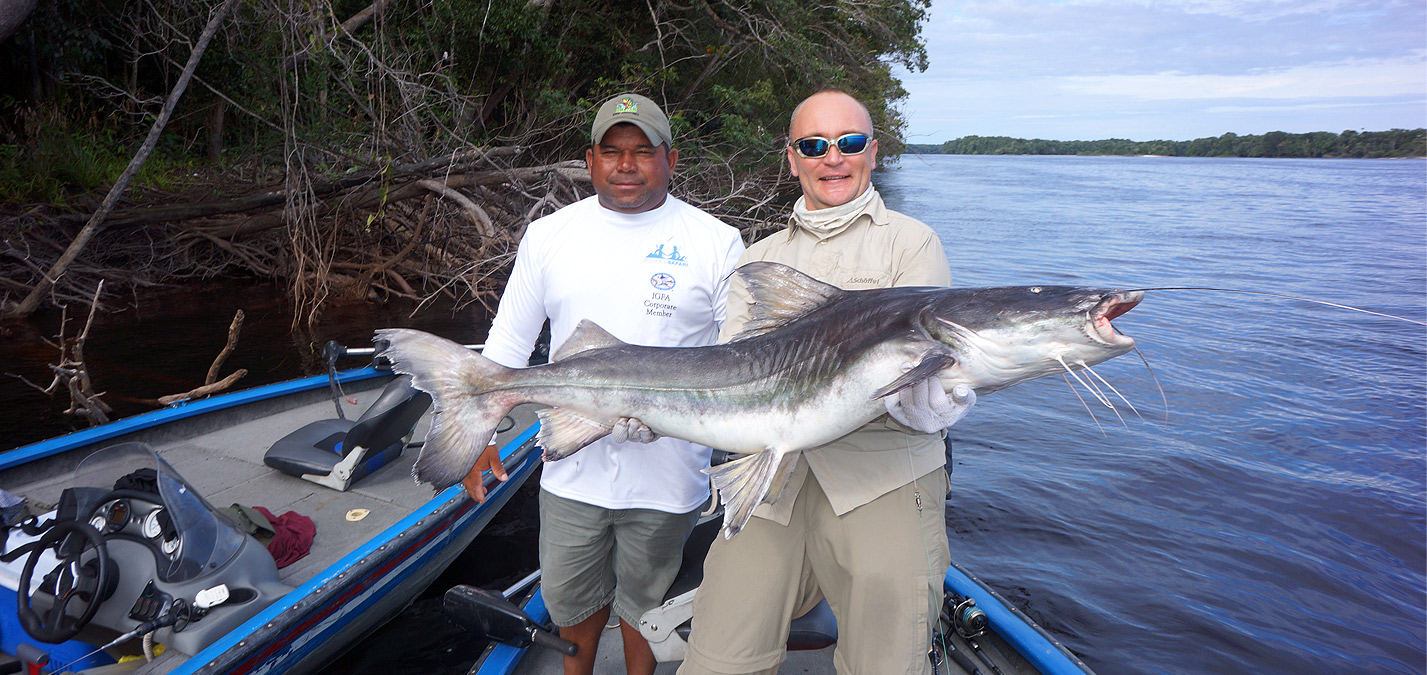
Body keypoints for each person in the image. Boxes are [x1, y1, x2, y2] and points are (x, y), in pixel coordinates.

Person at [678, 90, 976, 675]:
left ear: (872, 151)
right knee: (717, 658)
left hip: (881, 480)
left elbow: (921, 378)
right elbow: (730, 372)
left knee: (885, 665)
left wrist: (946, 394)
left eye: (850, 143)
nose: (832, 158)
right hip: (768, 483)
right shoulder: (759, 259)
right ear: (792, 159)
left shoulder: (911, 244)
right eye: (814, 145)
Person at [464, 93, 746, 675]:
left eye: (643, 151)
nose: (626, 165)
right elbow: (506, 350)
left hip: (670, 477)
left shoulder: (717, 242)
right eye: (612, 151)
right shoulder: (548, 235)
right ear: (589, 159)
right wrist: (477, 435)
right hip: (571, 472)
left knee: (648, 608)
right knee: (572, 604)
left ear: (671, 159)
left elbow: (739, 361)